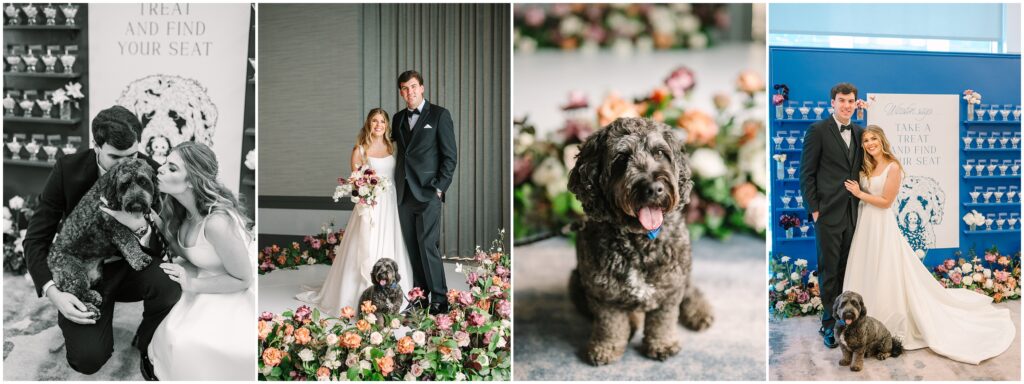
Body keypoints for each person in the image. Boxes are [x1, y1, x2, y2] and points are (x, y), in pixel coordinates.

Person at [23, 106, 180, 380]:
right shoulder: (67, 169)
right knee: (87, 359)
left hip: (132, 266)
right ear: (96, 146)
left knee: (170, 283)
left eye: (132, 154)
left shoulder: (150, 169)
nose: (127, 163)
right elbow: (36, 238)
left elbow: (166, 239)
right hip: (81, 267)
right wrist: (53, 292)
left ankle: (148, 340)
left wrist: (141, 227)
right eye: (116, 158)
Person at [842, 126, 1014, 365]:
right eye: (865, 140)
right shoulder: (866, 166)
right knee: (866, 265)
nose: (870, 143)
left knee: (886, 269)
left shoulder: (893, 166)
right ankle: (858, 326)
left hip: (881, 222)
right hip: (865, 224)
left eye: (873, 139)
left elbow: (886, 202)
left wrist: (859, 193)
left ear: (882, 140)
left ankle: (883, 325)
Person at [139, 141, 255, 380]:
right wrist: (154, 224)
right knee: (167, 328)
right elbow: (188, 250)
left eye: (172, 168)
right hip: (202, 271)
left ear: (192, 180)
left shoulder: (217, 223)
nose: (160, 169)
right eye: (165, 164)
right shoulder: (179, 207)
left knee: (187, 341)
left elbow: (243, 279)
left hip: (230, 284)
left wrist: (191, 284)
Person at [295, 108, 414, 315]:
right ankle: (359, 293)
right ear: (369, 124)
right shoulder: (360, 149)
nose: (379, 125)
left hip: (390, 204)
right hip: (370, 206)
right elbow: (355, 182)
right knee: (365, 244)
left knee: (389, 241)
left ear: (387, 125)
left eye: (382, 122)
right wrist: (366, 194)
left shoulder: (392, 146)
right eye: (375, 121)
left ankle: (392, 294)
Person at [799, 82, 864, 348]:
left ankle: (847, 322)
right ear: (832, 103)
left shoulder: (861, 133)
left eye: (851, 101)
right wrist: (814, 210)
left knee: (847, 270)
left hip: (854, 214)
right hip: (827, 214)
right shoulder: (817, 131)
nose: (846, 105)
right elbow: (807, 173)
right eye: (841, 101)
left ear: (855, 104)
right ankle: (828, 325)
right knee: (828, 272)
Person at [390, 70, 458, 315]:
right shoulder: (397, 119)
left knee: (428, 245)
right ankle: (419, 296)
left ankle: (440, 299)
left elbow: (450, 157)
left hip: (429, 192)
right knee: (413, 247)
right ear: (401, 92)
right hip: (404, 193)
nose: (410, 92)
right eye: (405, 88)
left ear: (422, 87)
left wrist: (439, 188)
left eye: (414, 86)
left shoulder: (439, 115)